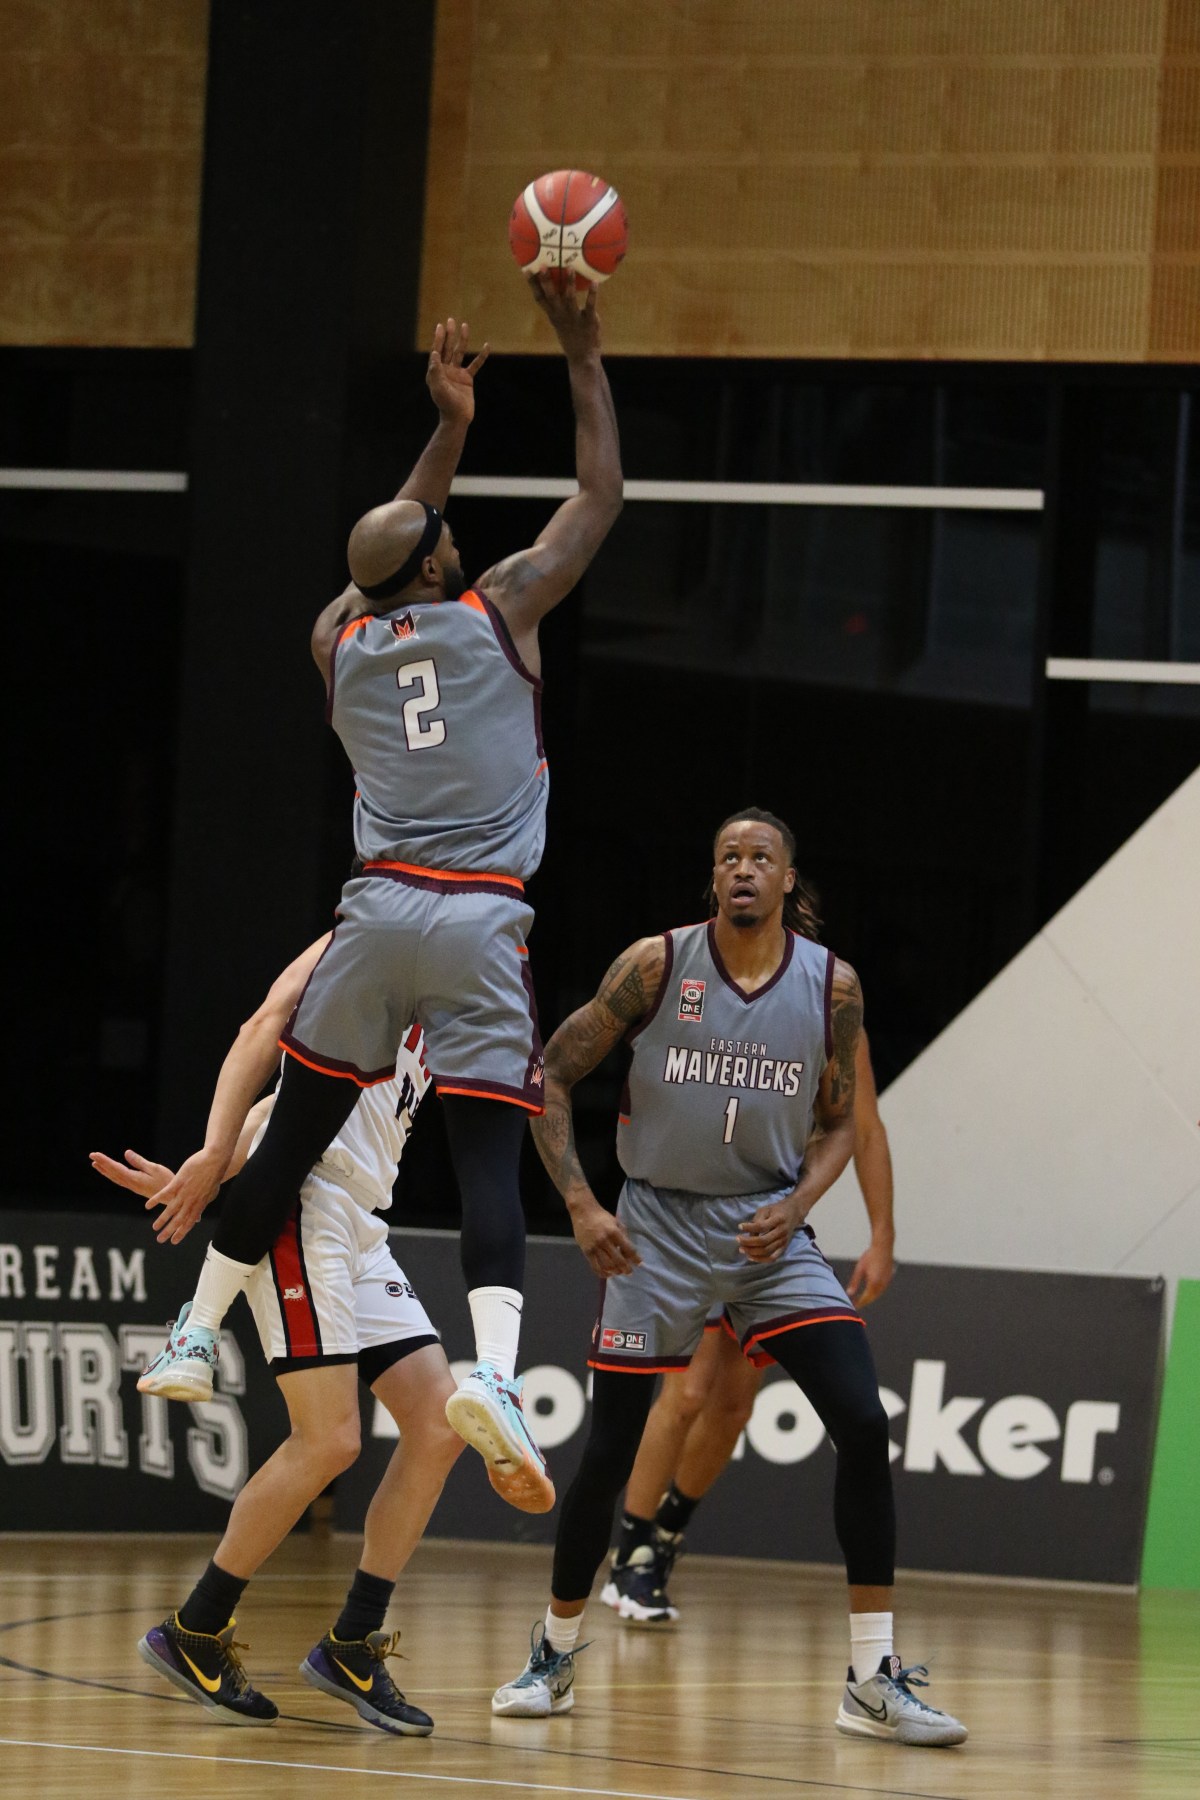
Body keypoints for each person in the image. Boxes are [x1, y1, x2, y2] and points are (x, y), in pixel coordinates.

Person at [135, 276, 622, 1516]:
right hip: (473, 916)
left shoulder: (332, 644)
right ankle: (500, 1378)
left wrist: (447, 432)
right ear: (446, 557)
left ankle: (192, 1336)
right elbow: (598, 497)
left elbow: (384, 553)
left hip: (370, 913)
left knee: (292, 1131)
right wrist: (580, 351)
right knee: (485, 1157)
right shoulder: (502, 607)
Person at [490, 808, 967, 1748]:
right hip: (655, 1227)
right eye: (728, 858)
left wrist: (799, 1209)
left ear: (790, 880)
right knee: (610, 1452)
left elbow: (840, 1124)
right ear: (712, 880)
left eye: (762, 858)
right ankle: (553, 1650)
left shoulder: (833, 988)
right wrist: (584, 1208)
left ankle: (872, 1678)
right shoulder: (657, 965)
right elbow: (547, 1074)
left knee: (865, 1422)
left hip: (767, 1234)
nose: (743, 870)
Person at [91, 935, 463, 1734]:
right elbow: (266, 1038)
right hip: (304, 1208)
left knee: (438, 1422)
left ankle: (353, 1643)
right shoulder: (366, 933)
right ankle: (195, 1627)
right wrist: (215, 1159)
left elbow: (290, 1104)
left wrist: (211, 1168)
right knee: (328, 1441)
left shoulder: (459, 974)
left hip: (363, 1221)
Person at [604, 1027, 894, 1624]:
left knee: (734, 1405)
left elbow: (863, 1127)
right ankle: (628, 1553)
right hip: (698, 1219)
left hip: (771, 1226)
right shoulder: (723, 994)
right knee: (687, 1391)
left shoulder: (833, 1007)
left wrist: (882, 1235)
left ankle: (663, 1543)